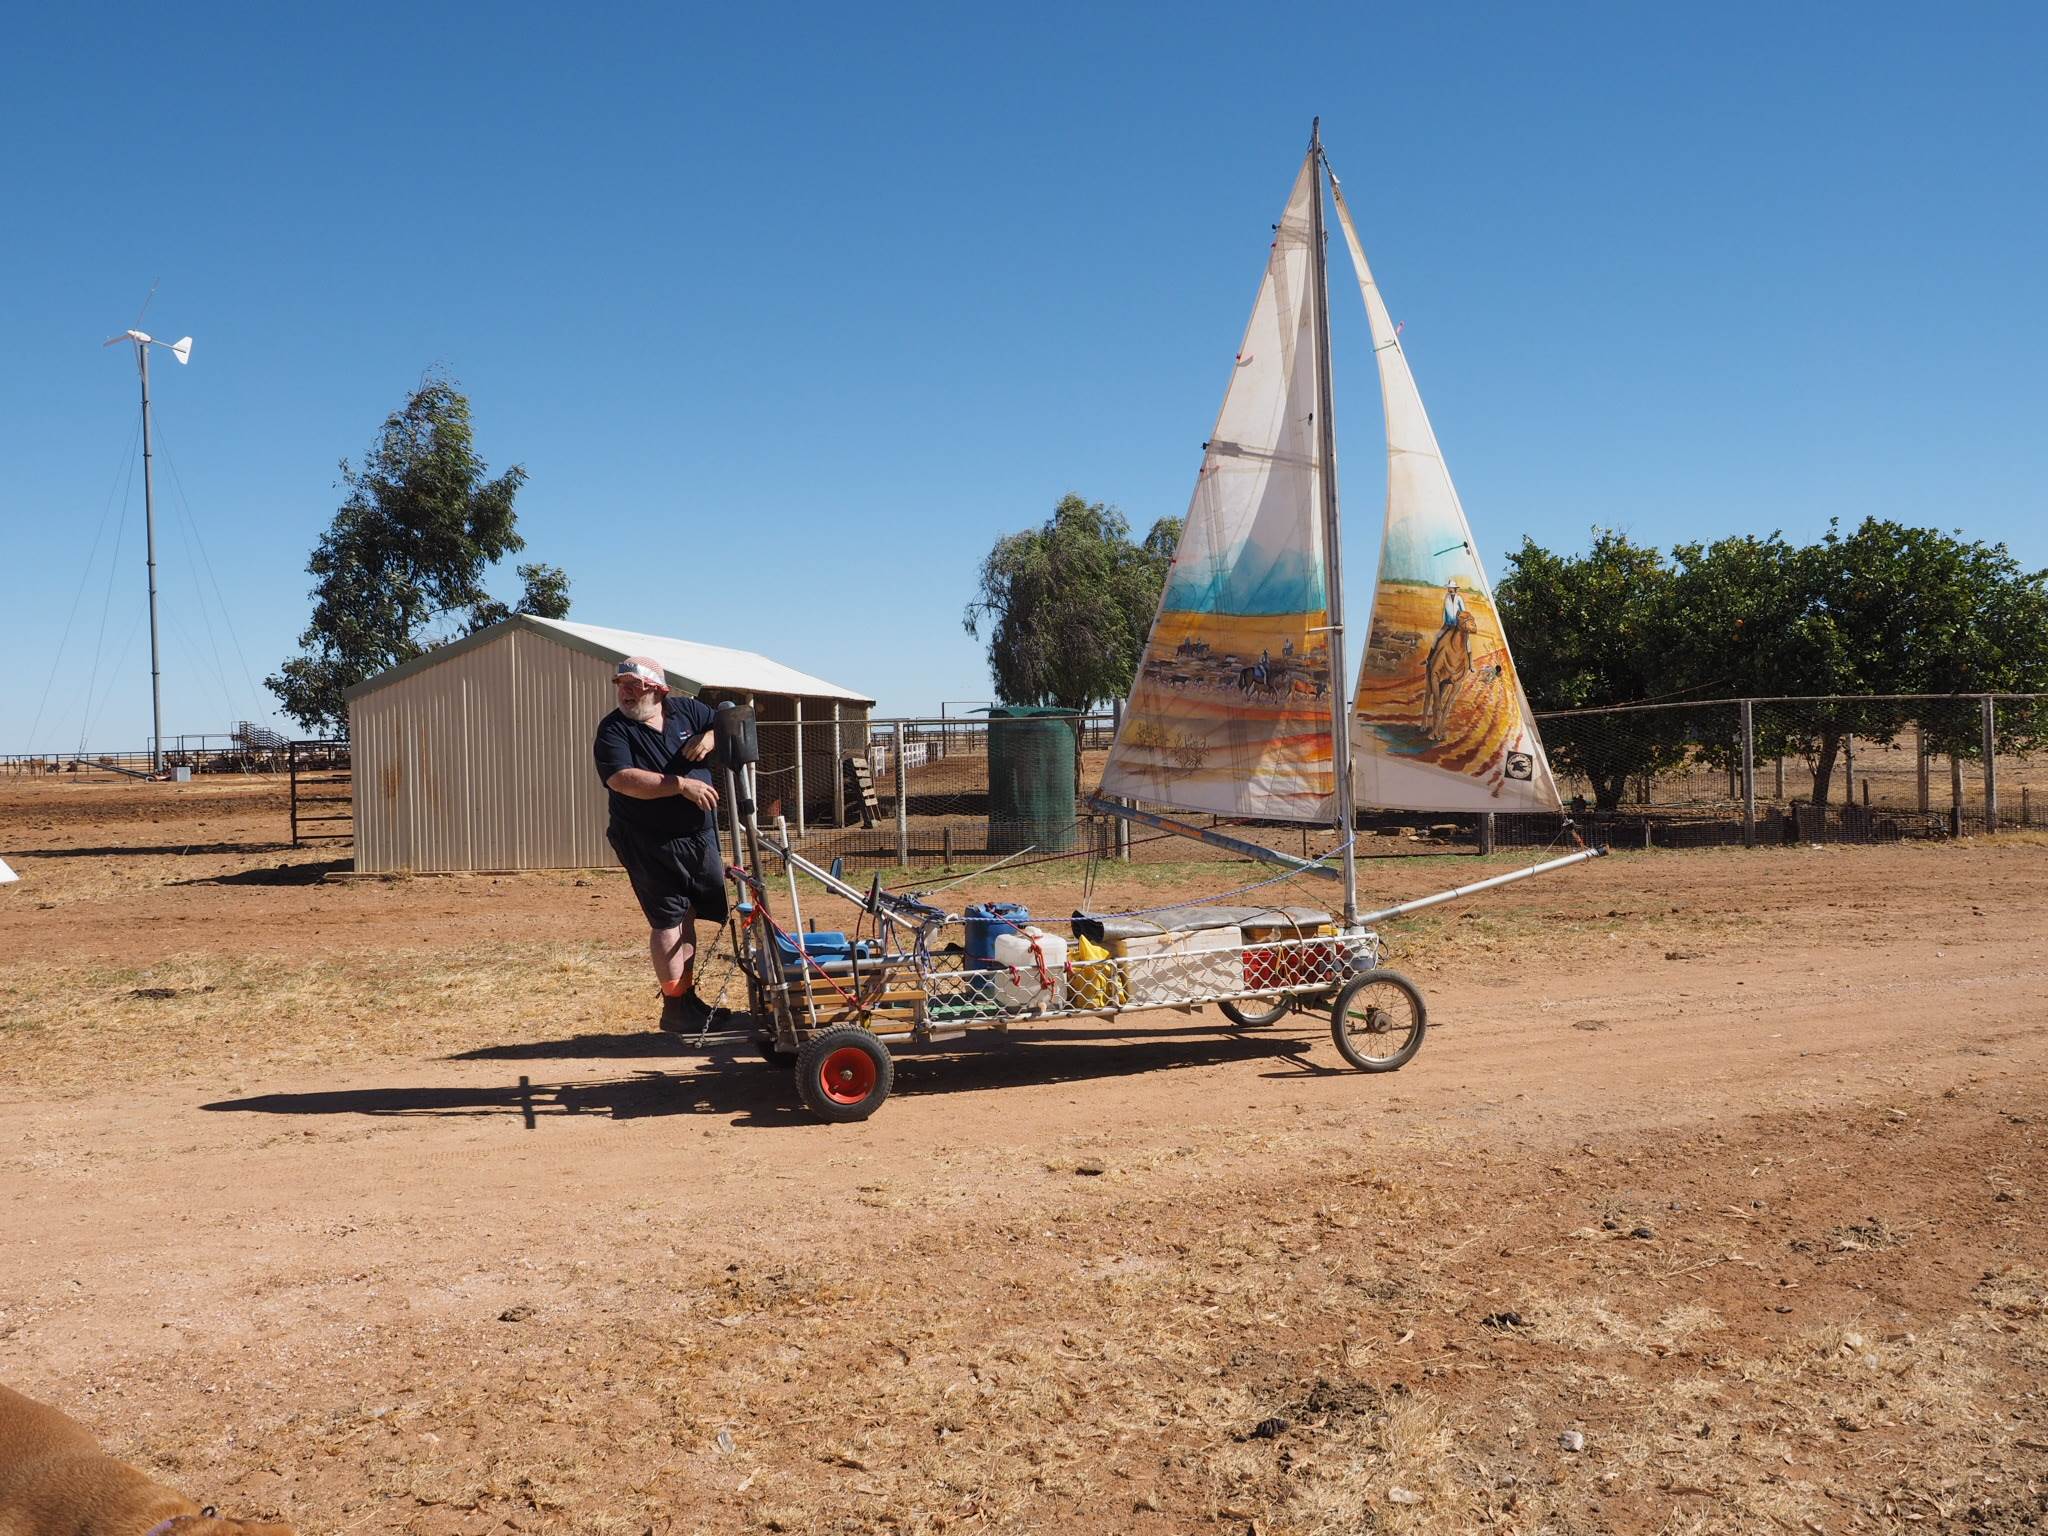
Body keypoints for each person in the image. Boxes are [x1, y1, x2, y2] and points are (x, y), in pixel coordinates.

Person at [593, 656, 731, 1032]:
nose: (624, 692)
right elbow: (621, 779)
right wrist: (680, 785)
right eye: (621, 685)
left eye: (633, 686)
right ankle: (674, 1008)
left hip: (697, 836)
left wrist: (710, 737)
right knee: (669, 918)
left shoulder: (686, 711)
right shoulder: (614, 729)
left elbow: (727, 720)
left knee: (689, 914)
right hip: (646, 839)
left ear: (658, 690)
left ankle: (687, 999)